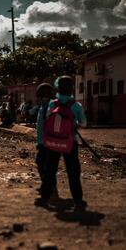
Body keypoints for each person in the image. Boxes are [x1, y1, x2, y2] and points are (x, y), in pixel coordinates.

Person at [39, 76, 87, 211]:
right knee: (73, 171)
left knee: (50, 170)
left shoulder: (52, 103)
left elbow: (48, 118)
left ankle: (44, 198)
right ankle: (78, 201)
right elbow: (83, 124)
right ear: (71, 89)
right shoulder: (76, 106)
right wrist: (74, 123)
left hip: (53, 142)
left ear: (57, 88)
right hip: (70, 143)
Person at [35, 83, 56, 195]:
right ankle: (51, 185)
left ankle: (47, 185)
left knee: (41, 163)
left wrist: (41, 142)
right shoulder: (46, 105)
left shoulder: (47, 106)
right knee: (48, 165)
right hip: (46, 141)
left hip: (46, 142)